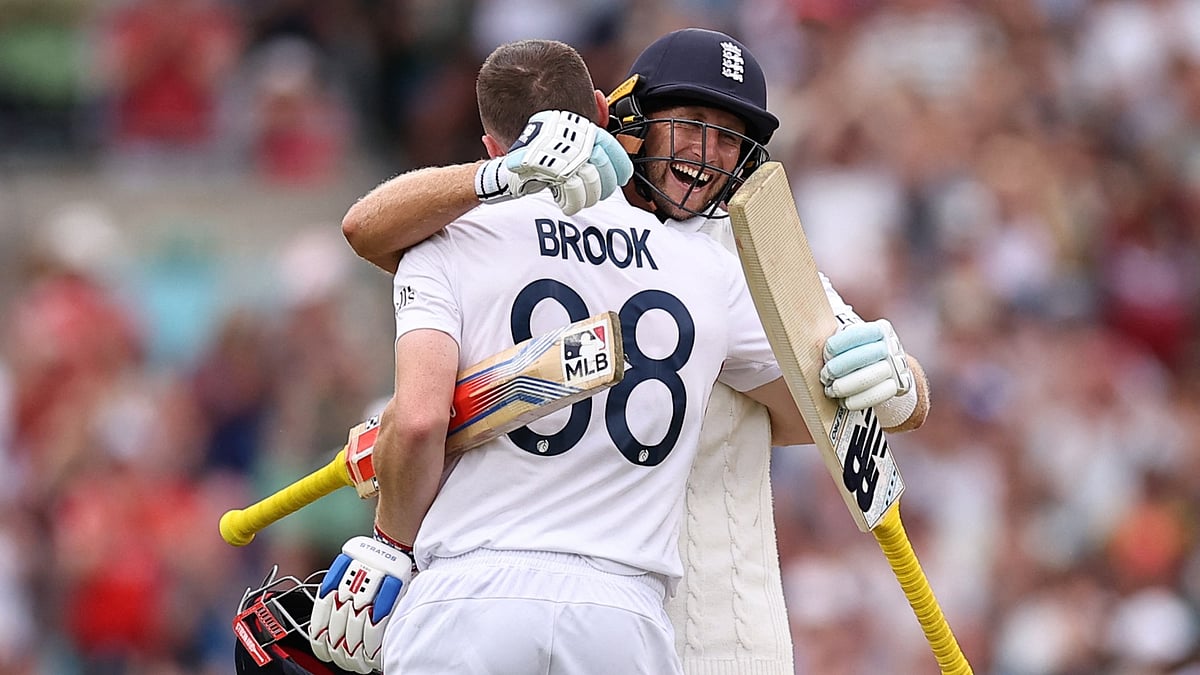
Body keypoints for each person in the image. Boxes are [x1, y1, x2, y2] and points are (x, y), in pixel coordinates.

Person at [330, 28, 930, 675]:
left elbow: (840, 409)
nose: (707, 155)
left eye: (728, 137)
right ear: (624, 120)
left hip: (682, 620)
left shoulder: (731, 251)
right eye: (691, 124)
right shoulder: (702, 265)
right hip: (625, 616)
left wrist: (904, 379)